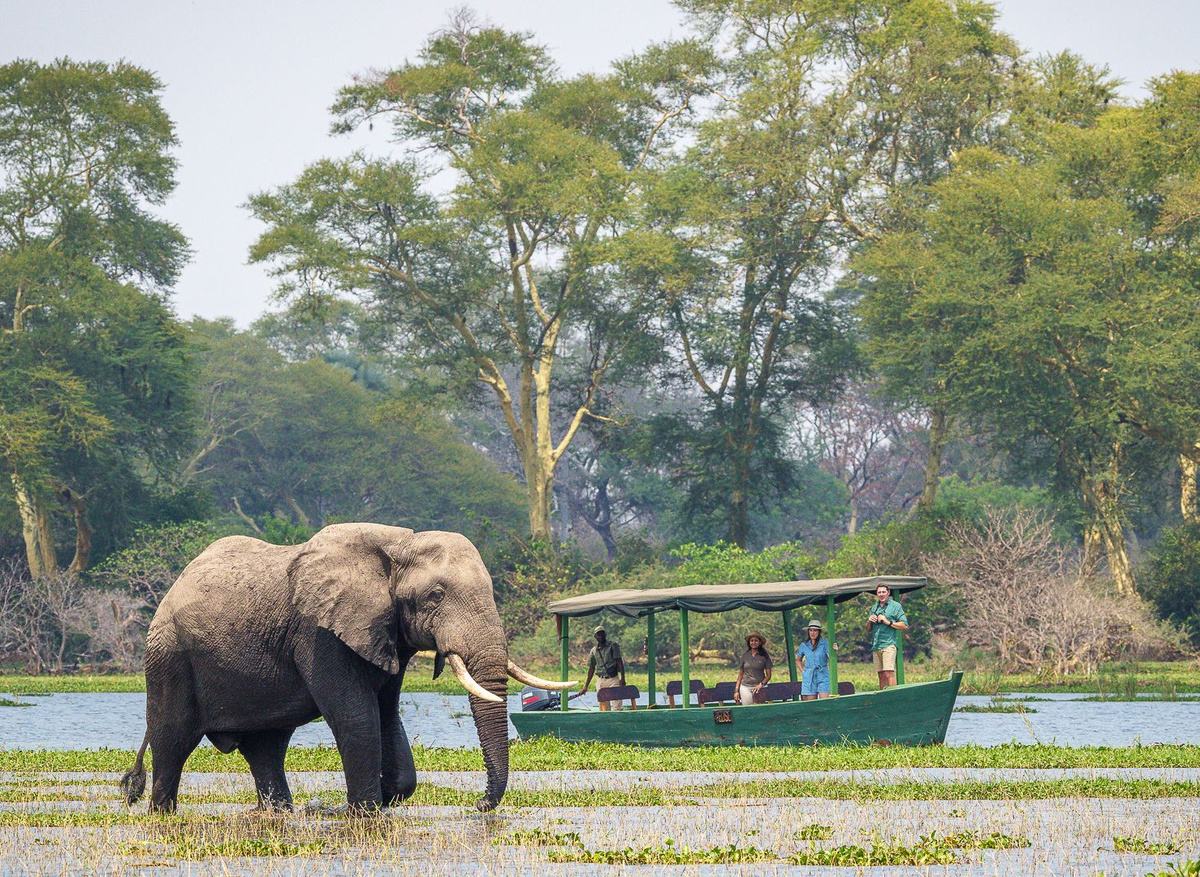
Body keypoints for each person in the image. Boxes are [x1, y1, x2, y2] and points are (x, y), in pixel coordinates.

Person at [865, 584, 909, 689]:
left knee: (889, 673)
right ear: (876, 594)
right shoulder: (874, 607)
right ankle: (883, 696)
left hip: (889, 644)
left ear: (888, 593)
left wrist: (887, 622)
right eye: (879, 592)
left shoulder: (895, 606)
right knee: (881, 675)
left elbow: (905, 625)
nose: (881, 594)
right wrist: (869, 621)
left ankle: (893, 697)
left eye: (883, 592)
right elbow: (868, 629)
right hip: (876, 646)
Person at [578, 626, 625, 711]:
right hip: (601, 680)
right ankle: (606, 722)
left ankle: (618, 722)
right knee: (603, 707)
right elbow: (591, 668)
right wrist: (586, 686)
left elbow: (619, 662)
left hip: (613, 678)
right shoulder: (594, 650)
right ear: (595, 637)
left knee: (617, 705)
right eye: (599, 635)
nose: (601, 636)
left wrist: (622, 678)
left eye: (602, 634)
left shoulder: (613, 646)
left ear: (605, 635)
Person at [797, 619, 837, 700]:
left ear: (819, 632)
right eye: (811, 630)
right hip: (809, 675)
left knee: (825, 700)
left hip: (822, 673)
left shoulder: (825, 643)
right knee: (811, 703)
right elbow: (798, 659)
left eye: (815, 631)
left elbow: (831, 657)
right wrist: (803, 671)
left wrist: (835, 651)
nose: (813, 633)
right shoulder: (804, 645)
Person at [734, 632, 772, 705]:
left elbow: (768, 675)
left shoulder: (764, 656)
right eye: (752, 640)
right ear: (749, 642)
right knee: (748, 709)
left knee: (760, 709)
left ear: (760, 642)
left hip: (759, 687)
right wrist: (736, 691)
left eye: (756, 640)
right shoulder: (745, 656)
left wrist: (761, 685)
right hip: (746, 686)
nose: (753, 642)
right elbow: (740, 675)